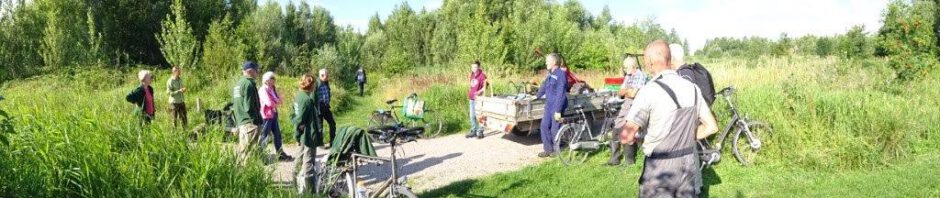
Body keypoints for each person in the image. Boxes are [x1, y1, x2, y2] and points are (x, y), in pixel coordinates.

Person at [620, 40, 719, 197]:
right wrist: (685, 137)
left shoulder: (648, 91)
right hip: (687, 167)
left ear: (650, 62)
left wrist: (639, 138)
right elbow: (711, 127)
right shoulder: (692, 88)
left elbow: (626, 137)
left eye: (645, 59)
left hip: (660, 170)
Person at [608, 56, 648, 166]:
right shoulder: (628, 76)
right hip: (626, 104)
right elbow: (620, 92)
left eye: (626, 67)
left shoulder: (641, 75)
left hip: (636, 105)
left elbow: (633, 94)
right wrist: (627, 91)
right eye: (624, 68)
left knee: (629, 130)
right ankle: (614, 159)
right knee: (616, 129)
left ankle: (629, 161)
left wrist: (626, 92)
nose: (625, 70)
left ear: (633, 66)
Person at [292, 74, 322, 196]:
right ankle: (311, 192)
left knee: (299, 159)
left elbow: (293, 115)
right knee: (309, 162)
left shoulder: (299, 96)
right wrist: (298, 135)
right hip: (308, 136)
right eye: (314, 84)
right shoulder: (306, 100)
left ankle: (295, 186)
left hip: (303, 134)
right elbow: (300, 121)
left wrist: (298, 133)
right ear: (311, 85)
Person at [535, 53, 568, 158]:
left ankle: (556, 150)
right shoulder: (550, 73)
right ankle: (548, 149)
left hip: (557, 106)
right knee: (544, 126)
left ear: (554, 62)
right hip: (549, 106)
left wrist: (558, 110)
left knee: (555, 129)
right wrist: (537, 96)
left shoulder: (561, 75)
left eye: (547, 61)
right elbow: (544, 86)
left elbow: (561, 94)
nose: (545, 63)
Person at [233, 61, 263, 165]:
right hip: (250, 124)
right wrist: (256, 121)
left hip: (242, 122)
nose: (258, 73)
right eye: (256, 70)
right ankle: (246, 178)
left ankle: (240, 177)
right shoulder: (249, 84)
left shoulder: (238, 84)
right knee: (249, 154)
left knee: (243, 152)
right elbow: (249, 107)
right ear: (251, 71)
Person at [258, 71, 293, 161]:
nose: (274, 80)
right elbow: (269, 103)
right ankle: (260, 156)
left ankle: (280, 154)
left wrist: (277, 101)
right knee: (264, 136)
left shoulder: (271, 89)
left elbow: (279, 101)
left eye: (274, 78)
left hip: (273, 114)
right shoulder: (263, 90)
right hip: (266, 116)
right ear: (266, 80)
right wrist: (277, 102)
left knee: (277, 135)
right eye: (272, 78)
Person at [466, 60, 487, 139]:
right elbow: (471, 86)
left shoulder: (482, 76)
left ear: (478, 67)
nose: (473, 68)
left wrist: (479, 92)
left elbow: (485, 87)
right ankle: (473, 130)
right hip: (471, 98)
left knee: (480, 115)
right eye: (472, 67)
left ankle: (480, 131)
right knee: (472, 116)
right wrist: (470, 92)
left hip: (479, 99)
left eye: (475, 67)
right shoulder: (471, 75)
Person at [317, 68, 337, 148]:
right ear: (322, 75)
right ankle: (320, 143)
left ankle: (333, 141)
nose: (328, 77)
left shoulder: (326, 83)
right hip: (319, 107)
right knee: (320, 127)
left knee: (332, 123)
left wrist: (328, 102)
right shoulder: (316, 84)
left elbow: (328, 93)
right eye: (326, 75)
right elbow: (313, 96)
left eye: (328, 75)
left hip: (326, 106)